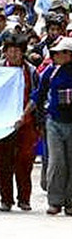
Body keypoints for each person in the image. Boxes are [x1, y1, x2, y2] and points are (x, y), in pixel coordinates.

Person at [0, 34, 38, 212]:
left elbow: (36, 96)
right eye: (9, 51)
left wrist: (24, 115)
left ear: (23, 53)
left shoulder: (32, 72)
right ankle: (5, 199)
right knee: (2, 162)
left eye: (16, 51)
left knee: (24, 162)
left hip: (25, 123)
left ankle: (24, 198)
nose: (13, 55)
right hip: (2, 124)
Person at [32, 37, 72, 215]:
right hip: (54, 122)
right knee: (56, 162)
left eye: (60, 52)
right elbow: (38, 95)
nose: (56, 55)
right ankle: (55, 201)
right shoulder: (50, 72)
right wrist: (26, 114)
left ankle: (70, 202)